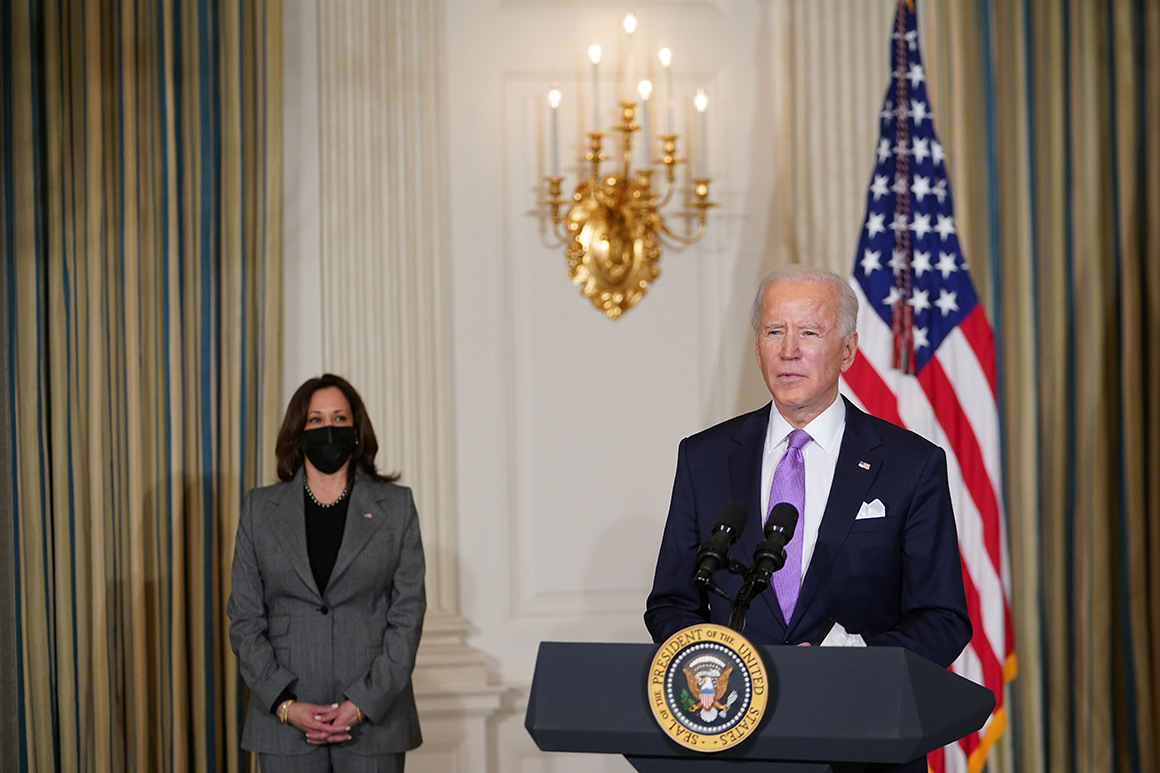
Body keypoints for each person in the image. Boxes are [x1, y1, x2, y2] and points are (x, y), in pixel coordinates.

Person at [644, 265, 971, 671]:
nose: (789, 351)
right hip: (732, 715)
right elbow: (672, 603)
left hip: (855, 713)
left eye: (809, 332)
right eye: (774, 331)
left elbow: (942, 619)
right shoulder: (703, 457)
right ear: (758, 345)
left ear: (848, 350)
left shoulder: (912, 465)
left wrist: (853, 665)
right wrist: (717, 667)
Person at [228, 374, 425, 772]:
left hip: (374, 724)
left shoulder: (396, 507)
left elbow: (407, 616)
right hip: (284, 724)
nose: (328, 428)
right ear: (297, 433)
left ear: (357, 430)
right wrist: (284, 705)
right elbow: (245, 619)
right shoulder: (259, 510)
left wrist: (364, 704)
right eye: (315, 420)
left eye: (339, 418)